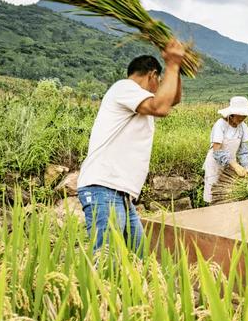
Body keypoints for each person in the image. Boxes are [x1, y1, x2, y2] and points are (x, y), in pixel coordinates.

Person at [77, 40, 186, 253]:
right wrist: (172, 64)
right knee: (107, 263)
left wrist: (177, 68)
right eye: (160, 81)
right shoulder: (124, 88)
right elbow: (161, 107)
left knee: (137, 261)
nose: (161, 88)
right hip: (104, 188)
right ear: (153, 75)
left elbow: (172, 100)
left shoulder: (136, 98)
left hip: (120, 194)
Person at [203, 96, 248, 204]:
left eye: (244, 115)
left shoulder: (243, 127)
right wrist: (235, 165)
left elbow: (244, 151)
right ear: (232, 114)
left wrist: (247, 167)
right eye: (240, 115)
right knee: (213, 195)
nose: (243, 118)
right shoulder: (220, 125)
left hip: (230, 166)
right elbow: (216, 151)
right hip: (215, 164)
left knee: (227, 195)